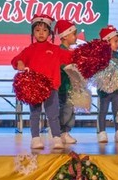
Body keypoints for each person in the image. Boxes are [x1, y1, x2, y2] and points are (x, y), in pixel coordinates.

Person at [11, 14, 73, 151]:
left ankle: (56, 137)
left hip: (52, 88)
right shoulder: (30, 49)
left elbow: (70, 57)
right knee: (35, 114)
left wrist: (84, 55)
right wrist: (19, 62)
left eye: (44, 30)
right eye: (37, 30)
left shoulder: (55, 50)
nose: (41, 33)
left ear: (49, 33)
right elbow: (16, 60)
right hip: (34, 89)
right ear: (33, 32)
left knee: (53, 114)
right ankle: (35, 138)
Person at [96, 25, 118, 143]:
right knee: (103, 111)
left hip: (117, 91)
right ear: (106, 41)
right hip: (104, 91)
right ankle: (102, 132)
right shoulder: (100, 57)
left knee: (117, 112)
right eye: (115, 41)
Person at [54, 19, 79, 144]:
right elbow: (63, 67)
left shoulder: (71, 52)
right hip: (63, 87)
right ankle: (60, 132)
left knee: (70, 110)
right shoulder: (59, 51)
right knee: (66, 110)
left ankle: (65, 132)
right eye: (73, 34)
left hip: (71, 87)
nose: (76, 37)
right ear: (64, 36)